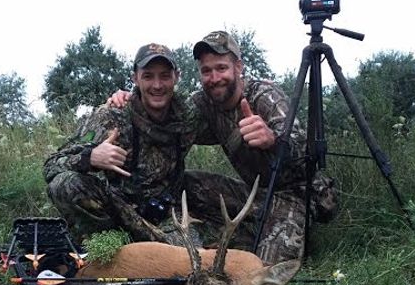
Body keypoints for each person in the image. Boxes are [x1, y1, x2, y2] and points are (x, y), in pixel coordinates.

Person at [109, 31, 337, 264]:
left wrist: (273, 140)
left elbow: (305, 154)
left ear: (238, 67)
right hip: (256, 193)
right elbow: (165, 112)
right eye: (206, 71)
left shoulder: (264, 96)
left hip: (296, 192)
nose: (214, 77)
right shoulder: (202, 103)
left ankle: (290, 230)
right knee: (185, 182)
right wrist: (130, 99)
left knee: (263, 270)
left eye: (221, 68)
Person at [44, 43, 200, 244]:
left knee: (191, 260)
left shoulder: (189, 116)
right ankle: (106, 245)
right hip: (118, 214)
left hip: (168, 216)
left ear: (176, 77)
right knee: (65, 184)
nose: (157, 85)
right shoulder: (111, 117)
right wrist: (90, 157)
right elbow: (51, 165)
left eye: (164, 76)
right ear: (135, 78)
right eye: (148, 76)